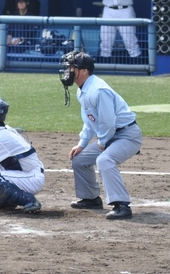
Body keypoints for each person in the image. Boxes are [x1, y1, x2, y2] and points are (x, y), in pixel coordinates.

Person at [59, 51, 142, 220]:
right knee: (79, 159)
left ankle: (122, 206)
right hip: (111, 135)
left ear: (84, 71)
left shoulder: (99, 90)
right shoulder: (83, 90)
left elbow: (108, 122)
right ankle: (91, 198)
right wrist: (82, 143)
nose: (68, 71)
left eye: (72, 67)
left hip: (127, 135)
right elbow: (90, 121)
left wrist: (103, 143)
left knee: (105, 160)